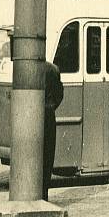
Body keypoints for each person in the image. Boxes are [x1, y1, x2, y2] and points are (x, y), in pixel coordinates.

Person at [43, 60, 64, 201]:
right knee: (47, 156)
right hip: (48, 114)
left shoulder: (25, 67)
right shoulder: (52, 69)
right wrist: (50, 106)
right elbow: (59, 94)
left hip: (30, 115)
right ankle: (44, 194)